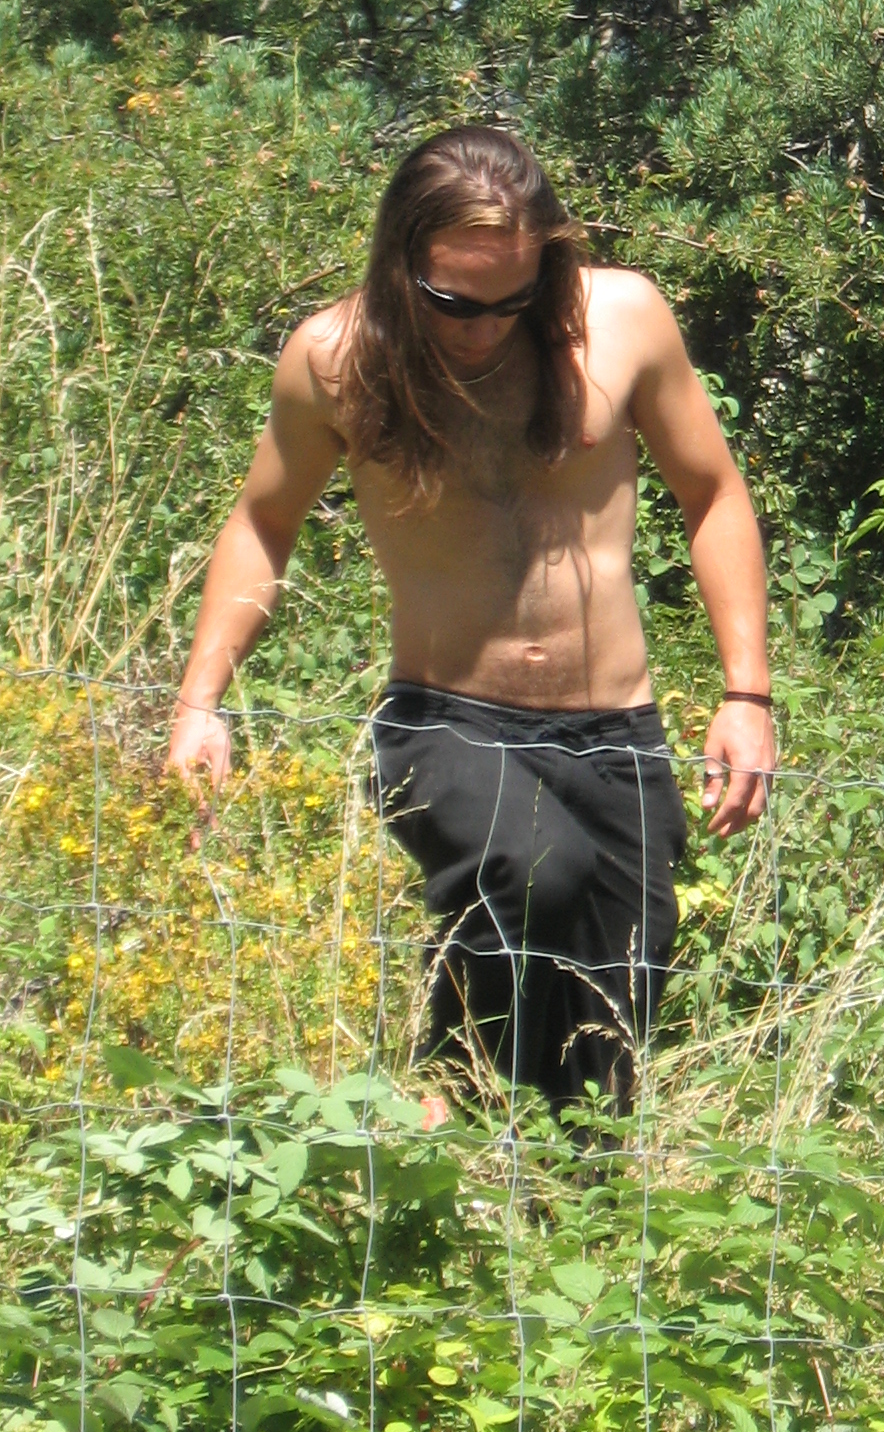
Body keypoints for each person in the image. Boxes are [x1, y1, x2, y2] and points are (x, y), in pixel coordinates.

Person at [168, 124, 775, 1109]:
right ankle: (441, 1102)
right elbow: (263, 521)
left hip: (615, 733)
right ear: (400, 261)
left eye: (512, 300)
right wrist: (201, 701)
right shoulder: (335, 358)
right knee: (531, 870)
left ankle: (544, 1181)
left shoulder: (621, 320)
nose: (482, 328)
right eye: (453, 301)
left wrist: (747, 693)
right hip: (447, 721)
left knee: (607, 1039)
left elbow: (714, 495)